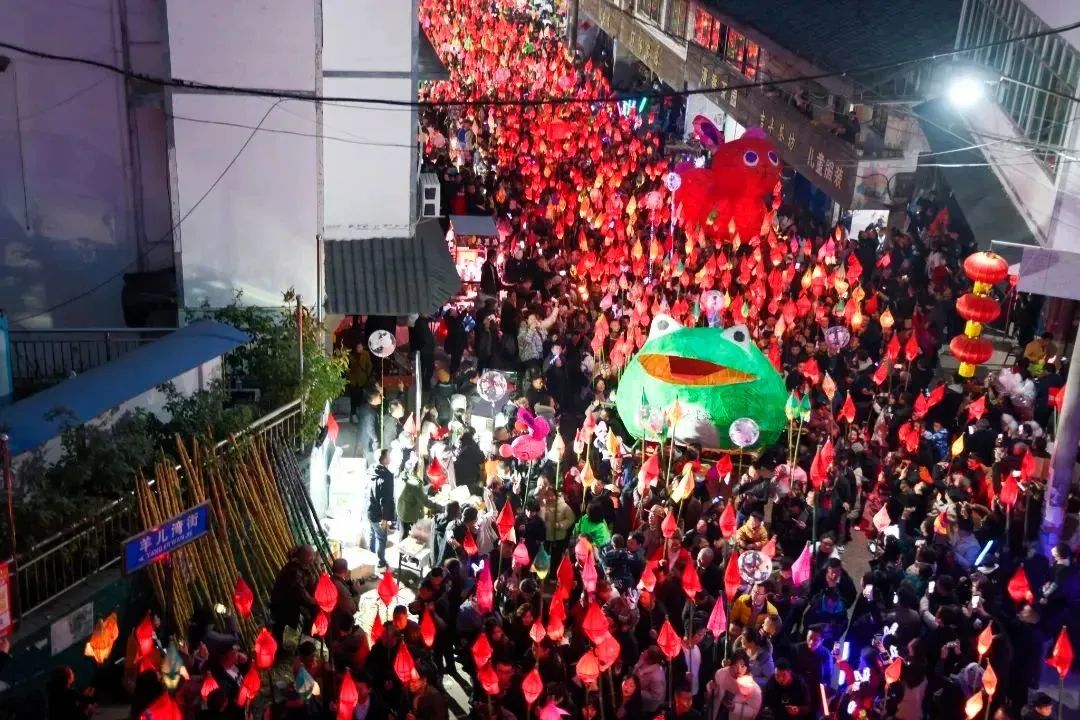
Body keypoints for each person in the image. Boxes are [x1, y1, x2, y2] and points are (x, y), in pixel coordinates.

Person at [270, 546, 318, 639]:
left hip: (291, 608)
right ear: (304, 556)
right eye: (311, 556)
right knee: (284, 635)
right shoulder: (293, 570)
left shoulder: (302, 568)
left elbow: (308, 586)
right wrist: (313, 601)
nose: (312, 559)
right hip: (283, 608)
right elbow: (300, 591)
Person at [367, 449, 396, 569]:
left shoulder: (372, 470)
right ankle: (380, 561)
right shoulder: (385, 476)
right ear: (384, 459)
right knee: (381, 537)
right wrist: (384, 518)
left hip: (370, 509)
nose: (390, 457)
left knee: (372, 533)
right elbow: (385, 499)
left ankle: (370, 555)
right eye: (389, 456)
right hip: (379, 513)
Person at [356, 386, 383, 465]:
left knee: (366, 456)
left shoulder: (364, 407)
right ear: (373, 400)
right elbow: (369, 429)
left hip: (363, 437)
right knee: (371, 459)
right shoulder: (370, 413)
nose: (381, 398)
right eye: (379, 396)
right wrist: (376, 439)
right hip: (369, 441)